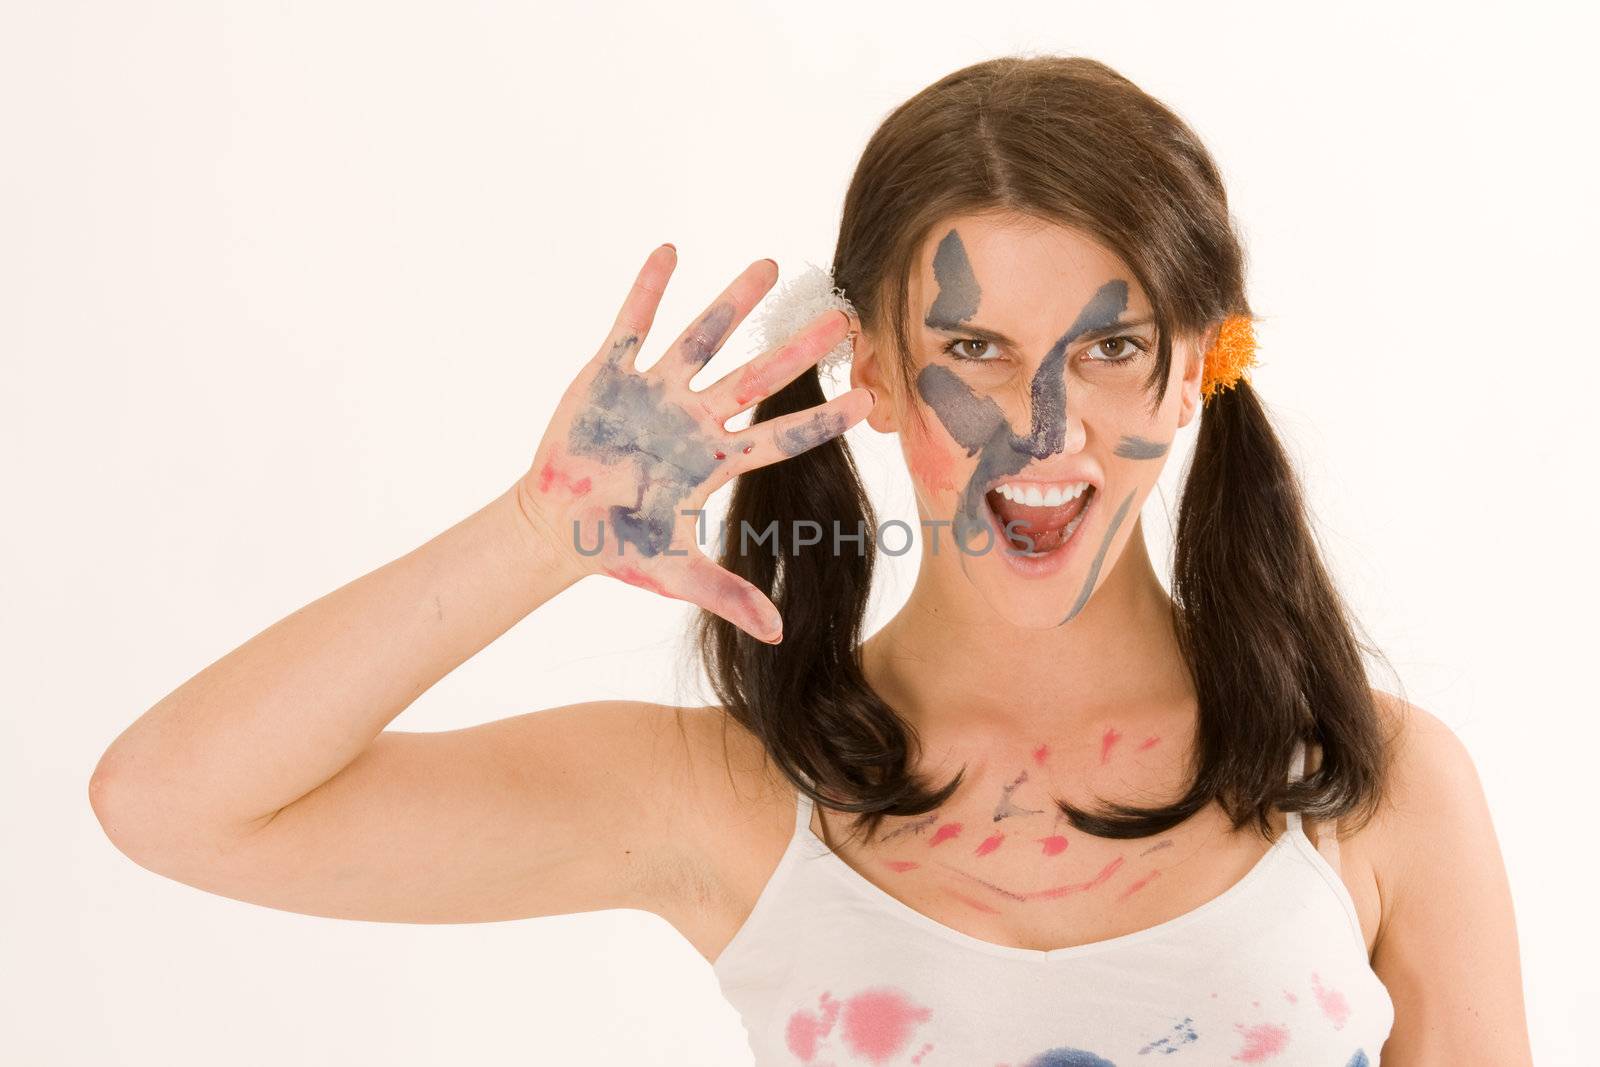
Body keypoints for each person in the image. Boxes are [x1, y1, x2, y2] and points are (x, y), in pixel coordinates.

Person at [88, 55, 1531, 1065]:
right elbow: (177, 806)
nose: (1044, 424)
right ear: (877, 377)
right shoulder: (732, 797)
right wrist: (537, 534)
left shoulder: (1371, 784)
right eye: (973, 349)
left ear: (1196, 371)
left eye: (1105, 348)